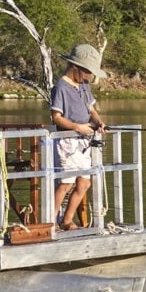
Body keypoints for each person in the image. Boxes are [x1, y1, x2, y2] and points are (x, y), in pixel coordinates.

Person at [50, 43, 107, 230]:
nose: (89, 76)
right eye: (87, 72)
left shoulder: (84, 86)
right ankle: (50, 222)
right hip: (67, 141)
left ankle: (67, 220)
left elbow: (91, 109)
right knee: (66, 183)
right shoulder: (61, 87)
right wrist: (77, 127)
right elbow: (56, 117)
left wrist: (98, 122)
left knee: (84, 183)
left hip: (84, 142)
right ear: (75, 67)